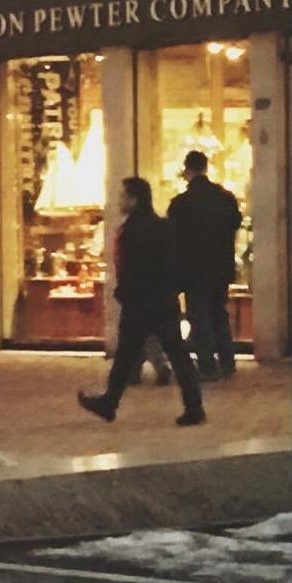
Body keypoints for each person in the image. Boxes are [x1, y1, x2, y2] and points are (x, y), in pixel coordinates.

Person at [79, 178, 205, 427]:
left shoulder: (131, 231)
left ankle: (109, 402)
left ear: (134, 199)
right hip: (162, 300)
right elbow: (174, 263)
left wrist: (125, 293)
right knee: (176, 354)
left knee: (127, 354)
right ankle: (194, 406)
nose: (119, 201)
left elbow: (129, 268)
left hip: (140, 302)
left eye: (123, 196)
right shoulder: (162, 226)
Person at [167, 148, 243, 383]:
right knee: (219, 313)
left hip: (193, 270)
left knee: (199, 317)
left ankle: (207, 365)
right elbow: (236, 223)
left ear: (187, 171)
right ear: (205, 168)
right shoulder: (225, 198)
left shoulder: (181, 204)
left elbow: (172, 238)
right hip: (220, 268)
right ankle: (228, 362)